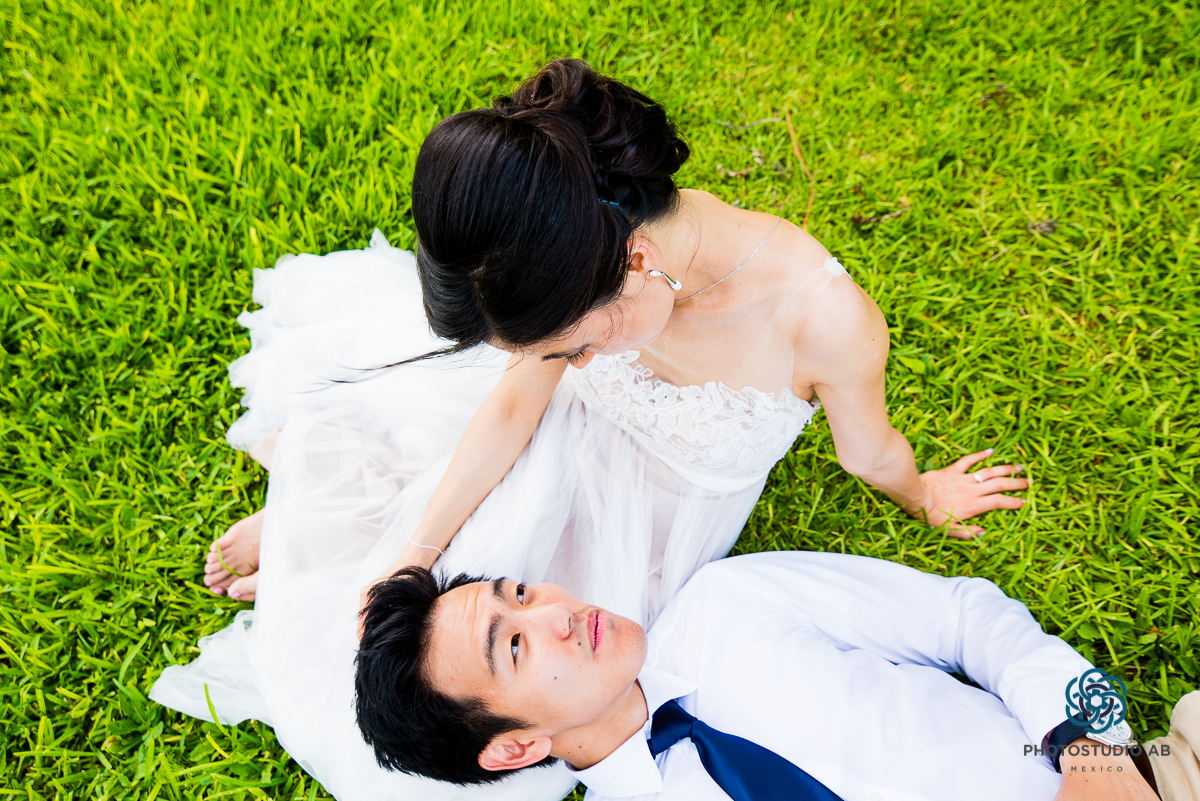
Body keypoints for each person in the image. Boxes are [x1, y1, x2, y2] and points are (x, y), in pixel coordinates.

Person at [154, 59, 1026, 799]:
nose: (572, 361)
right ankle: (333, 518)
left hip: (660, 518)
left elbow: (867, 452)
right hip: (560, 446)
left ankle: (330, 517)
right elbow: (515, 402)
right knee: (428, 585)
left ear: (636, 264)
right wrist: (412, 554)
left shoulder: (823, 319)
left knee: (514, 660)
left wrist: (924, 492)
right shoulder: (582, 242)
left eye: (572, 347)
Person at [355, 551, 1190, 801]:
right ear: (513, 747)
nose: (557, 611)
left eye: (522, 593)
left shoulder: (726, 602)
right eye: (514, 645)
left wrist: (1093, 752)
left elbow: (965, 617)